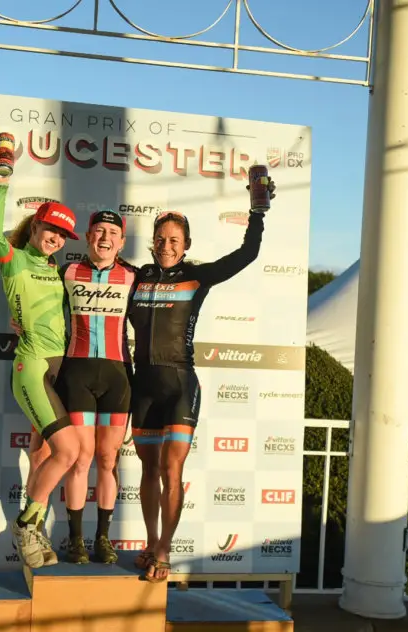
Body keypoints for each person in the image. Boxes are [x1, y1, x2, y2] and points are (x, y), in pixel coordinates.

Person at [128, 177, 276, 583]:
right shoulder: (135, 279)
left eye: (175, 240)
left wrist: (257, 213)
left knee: (171, 470)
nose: (167, 244)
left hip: (179, 385)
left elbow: (248, 253)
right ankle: (150, 540)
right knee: (147, 470)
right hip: (142, 388)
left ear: (186, 245)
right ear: (153, 241)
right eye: (161, 238)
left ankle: (164, 550)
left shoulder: (198, 277)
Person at [13, 209, 136, 564]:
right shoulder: (65, 271)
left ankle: (103, 538)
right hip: (77, 373)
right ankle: (76, 540)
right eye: (98, 230)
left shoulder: (133, 277)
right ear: (86, 236)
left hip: (118, 376)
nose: (104, 237)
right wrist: (18, 319)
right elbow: (38, 299)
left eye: (112, 232)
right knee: (80, 459)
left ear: (122, 242)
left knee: (108, 460)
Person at [0, 155, 82, 569]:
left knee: (42, 454)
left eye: (63, 234)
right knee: (69, 451)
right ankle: (25, 524)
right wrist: (1, 185)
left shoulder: (53, 267)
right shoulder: (17, 259)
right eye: (51, 229)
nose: (56, 238)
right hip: (32, 368)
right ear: (36, 225)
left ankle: (34, 531)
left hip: (59, 371)